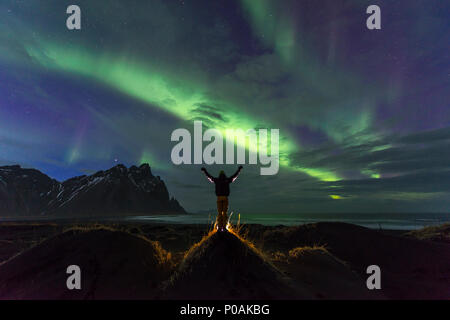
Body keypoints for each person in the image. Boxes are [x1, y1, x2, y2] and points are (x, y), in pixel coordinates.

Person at [201, 166, 243, 231]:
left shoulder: (217, 180)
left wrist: (204, 171)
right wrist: (239, 170)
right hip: (225, 197)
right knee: (225, 213)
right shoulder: (227, 180)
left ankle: (220, 227)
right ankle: (224, 227)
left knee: (220, 213)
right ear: (224, 175)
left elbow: (209, 177)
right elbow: (234, 176)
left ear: (219, 175)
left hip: (219, 198)